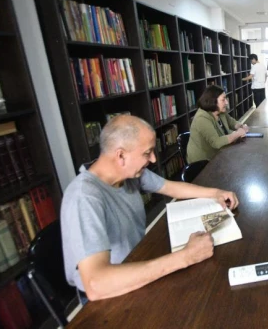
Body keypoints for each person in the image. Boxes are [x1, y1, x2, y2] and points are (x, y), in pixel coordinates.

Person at [60, 115, 239, 303]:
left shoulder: (127, 173)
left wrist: (215, 192)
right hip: (111, 296)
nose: (153, 159)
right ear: (120, 155)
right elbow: (96, 285)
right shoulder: (84, 198)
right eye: (147, 153)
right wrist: (186, 256)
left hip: (138, 263)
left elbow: (169, 187)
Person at [187, 85, 249, 163]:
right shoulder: (202, 118)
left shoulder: (219, 111)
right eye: (223, 100)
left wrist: (241, 126)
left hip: (220, 153)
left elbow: (232, 122)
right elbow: (216, 142)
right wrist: (237, 134)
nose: (226, 102)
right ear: (213, 101)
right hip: (203, 162)